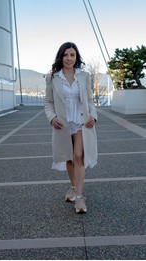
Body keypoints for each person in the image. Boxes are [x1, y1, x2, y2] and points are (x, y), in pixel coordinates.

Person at [44, 42, 97, 213]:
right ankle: (73, 187)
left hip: (81, 122)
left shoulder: (84, 76)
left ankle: (80, 198)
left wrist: (94, 116)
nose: (69, 58)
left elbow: (89, 100)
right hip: (62, 124)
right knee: (68, 157)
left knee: (79, 156)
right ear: (61, 57)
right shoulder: (52, 77)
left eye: (72, 55)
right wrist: (51, 118)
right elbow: (48, 102)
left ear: (76, 57)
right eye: (66, 55)